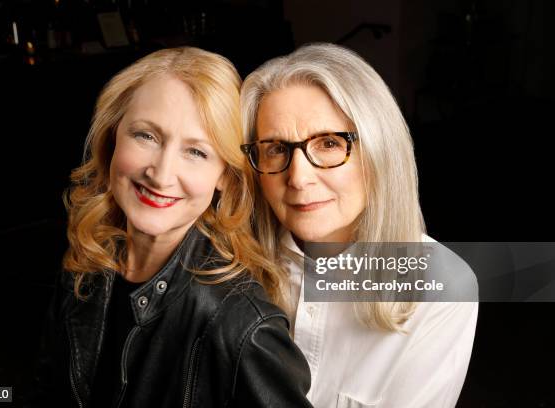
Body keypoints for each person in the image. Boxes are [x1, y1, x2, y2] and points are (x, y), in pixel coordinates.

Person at [28, 47, 313, 408]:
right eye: (146, 136)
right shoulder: (89, 256)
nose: (161, 175)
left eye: (196, 152)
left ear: (224, 175)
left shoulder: (243, 327)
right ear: (113, 136)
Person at [240, 43, 478, 408]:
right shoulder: (230, 262)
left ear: (380, 150)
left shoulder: (442, 286)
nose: (299, 178)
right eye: (275, 149)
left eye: (330, 143)